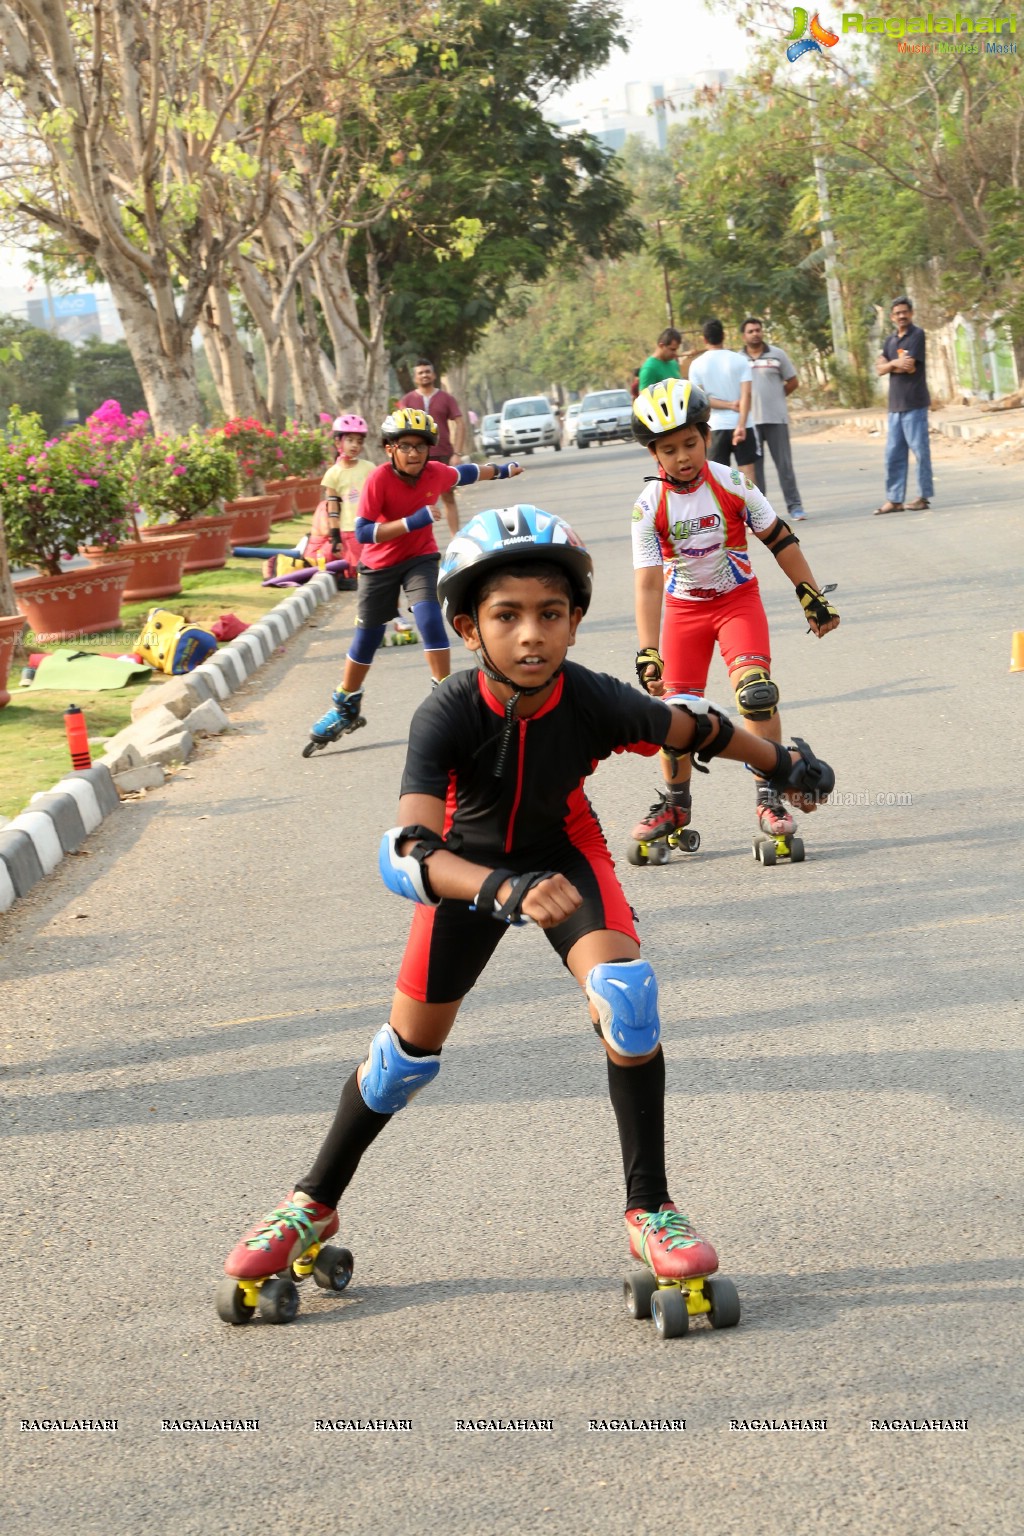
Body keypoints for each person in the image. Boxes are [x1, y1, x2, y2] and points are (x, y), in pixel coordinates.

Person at [221, 504, 836, 1321]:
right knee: (403, 1059)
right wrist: (497, 889)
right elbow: (407, 853)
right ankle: (312, 1201)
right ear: (469, 628)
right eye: (506, 617)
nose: (531, 636)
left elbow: (693, 725)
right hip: (467, 874)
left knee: (628, 998)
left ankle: (649, 1207)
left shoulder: (588, 698)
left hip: (566, 854)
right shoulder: (446, 710)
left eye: (551, 614)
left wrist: (782, 762)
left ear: (576, 623)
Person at [629, 378, 839, 852]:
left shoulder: (733, 483)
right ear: (654, 456)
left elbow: (780, 538)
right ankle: (676, 803)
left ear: (706, 436)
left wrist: (811, 595)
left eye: (690, 443)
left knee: (757, 694)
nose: (682, 456)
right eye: (669, 449)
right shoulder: (648, 506)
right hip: (684, 613)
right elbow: (646, 582)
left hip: (736, 603)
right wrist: (648, 651)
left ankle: (770, 797)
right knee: (675, 717)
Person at [306, 408, 522, 747]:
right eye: (405, 446)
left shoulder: (434, 472)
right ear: (390, 449)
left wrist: (501, 470)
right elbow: (363, 532)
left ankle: (446, 695)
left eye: (421, 447)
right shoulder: (378, 479)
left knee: (429, 617)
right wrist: (412, 521)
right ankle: (345, 704)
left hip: (419, 558)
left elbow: (465, 473)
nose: (413, 453)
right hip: (378, 566)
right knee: (366, 639)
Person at [740, 317, 807, 522]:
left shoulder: (777, 354)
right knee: (755, 471)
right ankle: (762, 513)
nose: (755, 334)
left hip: (776, 419)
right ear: (744, 336)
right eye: (751, 331)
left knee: (784, 465)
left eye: (758, 330)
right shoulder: (737, 359)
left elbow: (793, 381)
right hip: (751, 422)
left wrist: (777, 396)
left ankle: (795, 506)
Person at [875, 297, 934, 514]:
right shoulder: (890, 340)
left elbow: (909, 367)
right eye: (897, 313)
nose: (901, 316)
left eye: (905, 312)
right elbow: (879, 368)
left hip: (915, 403)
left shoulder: (917, 335)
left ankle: (923, 496)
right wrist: (893, 364)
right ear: (892, 317)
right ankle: (895, 500)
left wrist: (890, 365)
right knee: (893, 454)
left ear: (911, 313)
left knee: (920, 452)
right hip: (895, 406)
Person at [398, 359, 466, 536]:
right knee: (415, 501)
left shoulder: (446, 398)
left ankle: (455, 538)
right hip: (415, 456)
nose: (424, 375)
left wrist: (457, 453)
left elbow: (460, 423)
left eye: (427, 371)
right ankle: (418, 544)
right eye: (420, 372)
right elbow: (398, 430)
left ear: (434, 375)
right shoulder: (407, 401)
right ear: (415, 378)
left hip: (443, 453)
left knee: (448, 497)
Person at [687, 319, 757, 475]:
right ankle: (751, 501)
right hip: (743, 424)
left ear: (704, 339)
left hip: (714, 427)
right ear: (724, 336)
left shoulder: (697, 364)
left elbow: (700, 402)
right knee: (748, 476)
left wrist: (728, 405)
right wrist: (741, 425)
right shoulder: (740, 360)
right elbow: (747, 394)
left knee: (718, 478)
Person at [305, 414, 374, 573]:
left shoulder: (369, 468)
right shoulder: (332, 474)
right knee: (362, 572)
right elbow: (333, 508)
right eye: (350, 440)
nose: (355, 445)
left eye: (359, 441)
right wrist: (335, 536)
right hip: (349, 531)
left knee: (379, 571)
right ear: (338, 442)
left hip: (370, 527)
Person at [638, 328, 682, 392]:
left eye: (676, 349)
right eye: (672, 349)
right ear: (661, 345)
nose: (675, 353)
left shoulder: (673, 363)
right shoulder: (649, 369)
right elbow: (644, 399)